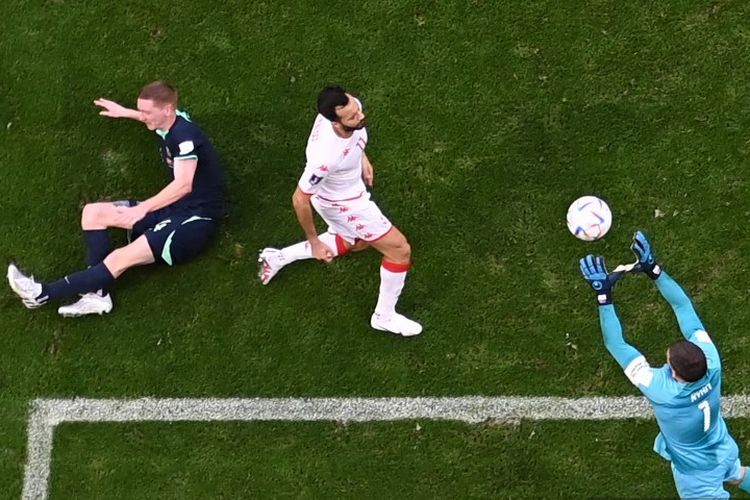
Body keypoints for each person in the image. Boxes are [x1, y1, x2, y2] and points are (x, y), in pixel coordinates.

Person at [7, 81, 225, 316]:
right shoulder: (170, 120)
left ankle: (40, 294)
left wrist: (144, 209)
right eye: (141, 111)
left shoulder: (185, 138)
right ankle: (97, 295)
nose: (144, 117)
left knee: (119, 257)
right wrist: (125, 112)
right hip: (176, 207)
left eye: (146, 113)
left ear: (167, 109)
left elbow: (183, 185)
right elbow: (153, 121)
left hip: (195, 221)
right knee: (93, 213)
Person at [579, 231, 750, 498]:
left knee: (734, 475)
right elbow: (683, 307)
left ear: (674, 372)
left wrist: (604, 296)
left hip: (697, 475)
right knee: (736, 473)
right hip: (722, 449)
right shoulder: (711, 361)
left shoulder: (664, 391)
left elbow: (617, 344)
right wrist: (655, 270)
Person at [258, 85, 421, 336]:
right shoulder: (324, 158)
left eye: (358, 109)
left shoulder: (344, 107)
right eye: (353, 117)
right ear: (335, 122)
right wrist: (313, 241)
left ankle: (278, 257)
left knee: (354, 242)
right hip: (344, 204)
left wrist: (362, 158)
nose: (360, 116)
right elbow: (300, 199)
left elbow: (353, 138)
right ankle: (384, 316)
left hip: (350, 186)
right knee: (399, 249)